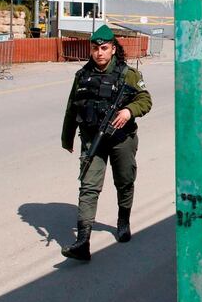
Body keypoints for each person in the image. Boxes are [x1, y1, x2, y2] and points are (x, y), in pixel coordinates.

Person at [60, 25, 152, 261]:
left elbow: (145, 99)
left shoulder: (127, 74)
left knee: (124, 180)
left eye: (104, 48)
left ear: (113, 49)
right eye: (95, 48)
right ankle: (83, 240)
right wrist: (67, 137)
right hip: (93, 138)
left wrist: (128, 112)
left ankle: (123, 220)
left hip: (122, 139)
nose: (99, 53)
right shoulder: (82, 76)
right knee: (88, 186)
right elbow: (72, 107)